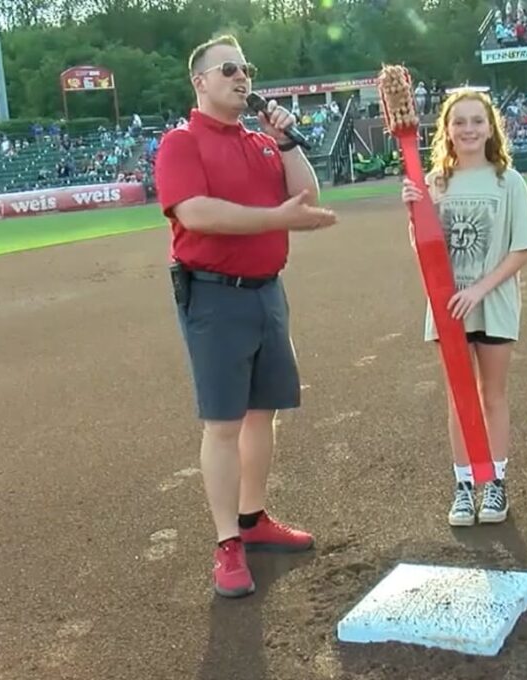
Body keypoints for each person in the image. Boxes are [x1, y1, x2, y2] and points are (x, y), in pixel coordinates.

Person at [154, 34, 338, 598]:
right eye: (228, 68)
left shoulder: (261, 142)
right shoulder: (181, 142)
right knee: (224, 423)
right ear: (200, 81)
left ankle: (253, 518)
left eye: (246, 68)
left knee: (264, 413)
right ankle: (227, 543)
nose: (242, 77)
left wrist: (286, 143)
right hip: (214, 295)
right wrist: (273, 219)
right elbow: (196, 212)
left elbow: (305, 196)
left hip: (265, 293)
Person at [400, 89, 527, 527]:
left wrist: (479, 290)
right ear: (446, 130)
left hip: (493, 304)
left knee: (492, 396)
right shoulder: (435, 183)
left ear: (490, 127)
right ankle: (464, 486)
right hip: (449, 309)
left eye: (476, 121)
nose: (468, 129)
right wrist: (413, 212)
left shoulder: (508, 181)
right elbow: (424, 248)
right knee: (459, 398)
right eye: (458, 121)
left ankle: (494, 481)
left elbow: (524, 248)